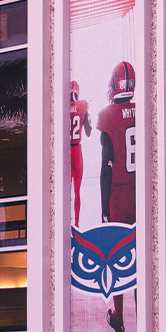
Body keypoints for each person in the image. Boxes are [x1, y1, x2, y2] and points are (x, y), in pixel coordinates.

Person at [93, 61, 137, 332]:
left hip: (119, 194)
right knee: (140, 260)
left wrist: (104, 207)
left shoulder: (107, 115)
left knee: (119, 259)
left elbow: (105, 167)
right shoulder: (141, 110)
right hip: (139, 191)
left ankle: (119, 316)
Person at [68, 81, 92, 226]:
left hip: (66, 149)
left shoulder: (62, 106)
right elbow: (88, 132)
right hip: (77, 150)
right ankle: (76, 222)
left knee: (65, 187)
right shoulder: (82, 105)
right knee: (77, 190)